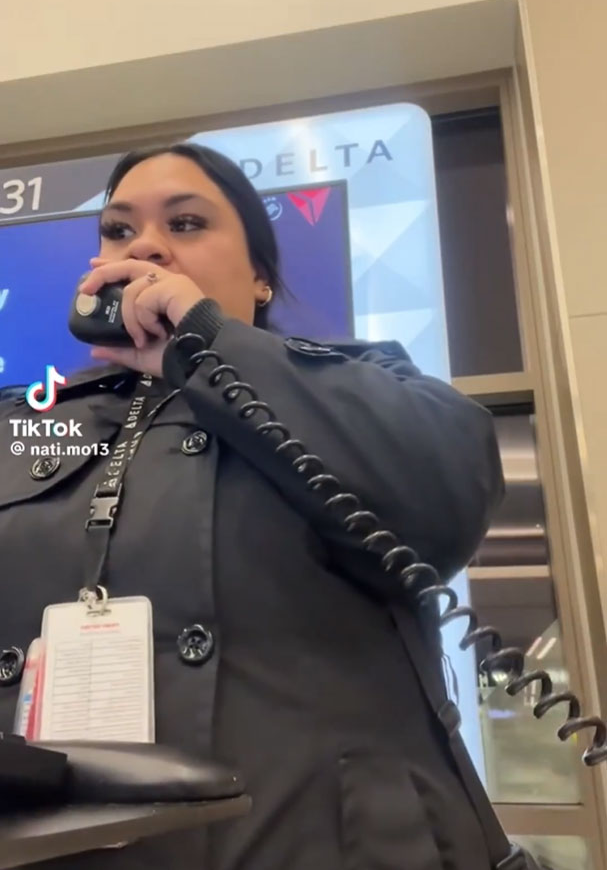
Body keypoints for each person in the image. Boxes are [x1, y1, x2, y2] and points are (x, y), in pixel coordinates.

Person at [0, 143, 511, 870]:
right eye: (118, 230)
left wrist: (210, 342)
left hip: (331, 845)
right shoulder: (27, 421)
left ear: (260, 278)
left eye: (185, 223)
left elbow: (443, 501)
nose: (144, 245)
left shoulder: (361, 381)